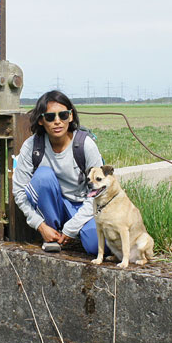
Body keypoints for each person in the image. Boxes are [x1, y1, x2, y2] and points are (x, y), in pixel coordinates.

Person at [12, 90, 104, 254]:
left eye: (63, 115)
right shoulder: (32, 146)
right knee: (43, 176)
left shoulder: (85, 145)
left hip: (82, 205)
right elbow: (19, 190)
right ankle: (52, 234)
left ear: (70, 116)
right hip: (52, 207)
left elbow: (99, 192)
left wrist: (72, 227)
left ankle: (73, 234)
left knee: (96, 246)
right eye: (50, 117)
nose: (57, 122)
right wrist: (40, 225)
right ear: (41, 120)